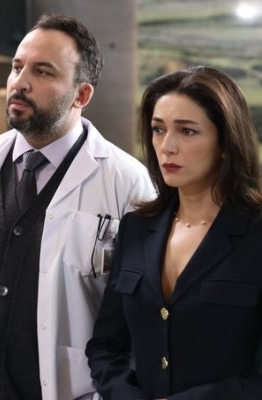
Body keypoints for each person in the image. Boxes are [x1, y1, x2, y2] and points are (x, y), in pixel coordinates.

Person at [0, 13, 154, 400]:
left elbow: (139, 315)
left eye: (42, 71)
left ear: (81, 95)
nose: (20, 82)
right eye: (17, 66)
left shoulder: (127, 183)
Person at [86, 65, 262, 400]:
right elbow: (106, 346)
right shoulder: (136, 228)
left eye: (187, 131)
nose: (167, 146)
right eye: (158, 129)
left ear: (226, 142)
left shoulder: (256, 233)